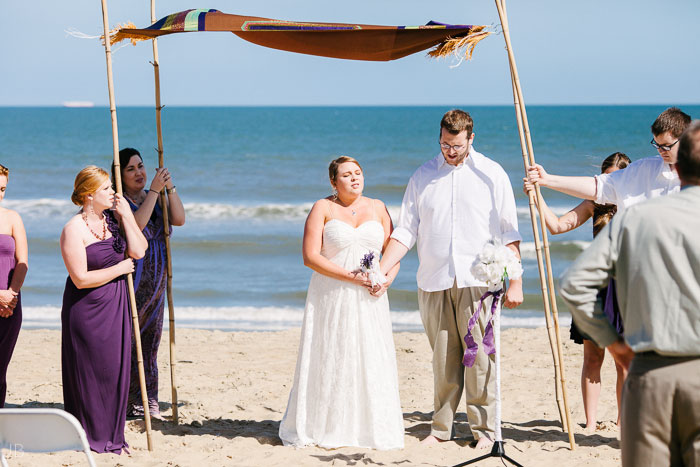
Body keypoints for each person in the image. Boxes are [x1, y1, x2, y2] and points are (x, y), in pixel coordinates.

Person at [378, 110, 523, 449]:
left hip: (479, 280)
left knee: (480, 359)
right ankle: (441, 429)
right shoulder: (423, 176)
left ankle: (484, 431)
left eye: (456, 145)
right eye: (444, 144)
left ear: (471, 138)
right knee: (443, 359)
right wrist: (382, 269)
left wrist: (515, 280)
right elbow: (405, 230)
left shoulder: (492, 174)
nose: (450, 151)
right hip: (434, 279)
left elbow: (509, 231)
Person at [559, 121, 700, 467]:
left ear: (676, 167)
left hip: (650, 368)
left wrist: (615, 345)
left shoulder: (638, 218)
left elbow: (575, 284)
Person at [279, 156, 404, 450]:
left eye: (358, 173)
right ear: (334, 182)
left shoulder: (378, 207)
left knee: (370, 355)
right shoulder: (322, 208)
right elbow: (310, 257)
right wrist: (352, 277)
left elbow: (393, 253)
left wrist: (386, 280)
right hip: (331, 294)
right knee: (333, 353)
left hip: (370, 298)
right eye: (347, 175)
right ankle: (326, 425)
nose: (355, 178)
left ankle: (368, 427)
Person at [524, 152, 630, 430]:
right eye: (603, 177)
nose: (605, 183)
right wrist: (537, 199)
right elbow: (558, 226)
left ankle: (623, 422)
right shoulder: (593, 203)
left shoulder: (637, 202)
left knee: (625, 362)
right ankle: (591, 423)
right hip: (596, 286)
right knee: (593, 357)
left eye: (612, 178)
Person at [60, 166, 147, 453]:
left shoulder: (112, 221)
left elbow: (139, 250)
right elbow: (80, 279)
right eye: (107, 188)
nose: (114, 192)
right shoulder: (73, 229)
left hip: (116, 305)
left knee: (115, 370)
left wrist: (127, 217)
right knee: (89, 372)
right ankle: (90, 437)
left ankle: (113, 435)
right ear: (88, 194)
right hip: (86, 311)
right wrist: (119, 269)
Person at [115, 148, 185, 419]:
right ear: (120, 174)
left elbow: (178, 219)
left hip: (157, 279)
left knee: (150, 342)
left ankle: (149, 401)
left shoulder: (153, 197)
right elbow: (136, 226)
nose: (139, 173)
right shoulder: (119, 202)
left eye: (141, 166)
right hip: (135, 278)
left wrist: (169, 187)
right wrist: (155, 191)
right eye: (130, 169)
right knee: (129, 341)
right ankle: (128, 401)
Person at [527, 107, 691, 210]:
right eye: (657, 145)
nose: (661, 150)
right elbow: (598, 186)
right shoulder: (643, 170)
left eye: (667, 146)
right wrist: (548, 180)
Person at [0, 164, 27, 407]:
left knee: (0, 369)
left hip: (10, 304)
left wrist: (11, 294)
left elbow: (23, 261)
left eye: (3, 189)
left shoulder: (13, 218)